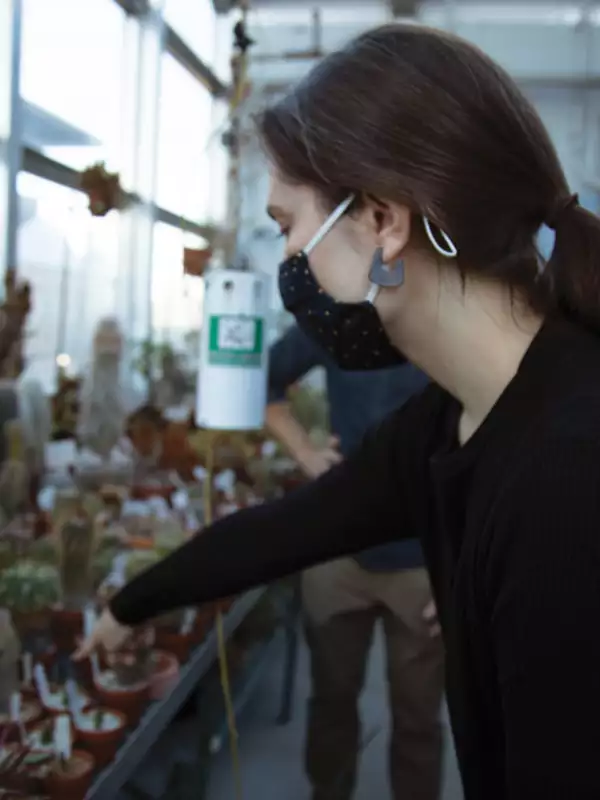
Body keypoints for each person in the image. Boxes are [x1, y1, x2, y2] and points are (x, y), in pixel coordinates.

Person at [76, 23, 600, 800]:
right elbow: (291, 528)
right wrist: (131, 604)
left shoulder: (571, 471)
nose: (289, 264)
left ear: (383, 221)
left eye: (288, 226)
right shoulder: (448, 422)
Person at [266, 324, 440, 800]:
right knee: (331, 700)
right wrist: (304, 450)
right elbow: (262, 377)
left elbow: (496, 432)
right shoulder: (336, 311)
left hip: (424, 559)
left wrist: (463, 567)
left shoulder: (451, 313)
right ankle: (329, 791)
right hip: (340, 552)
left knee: (419, 717)